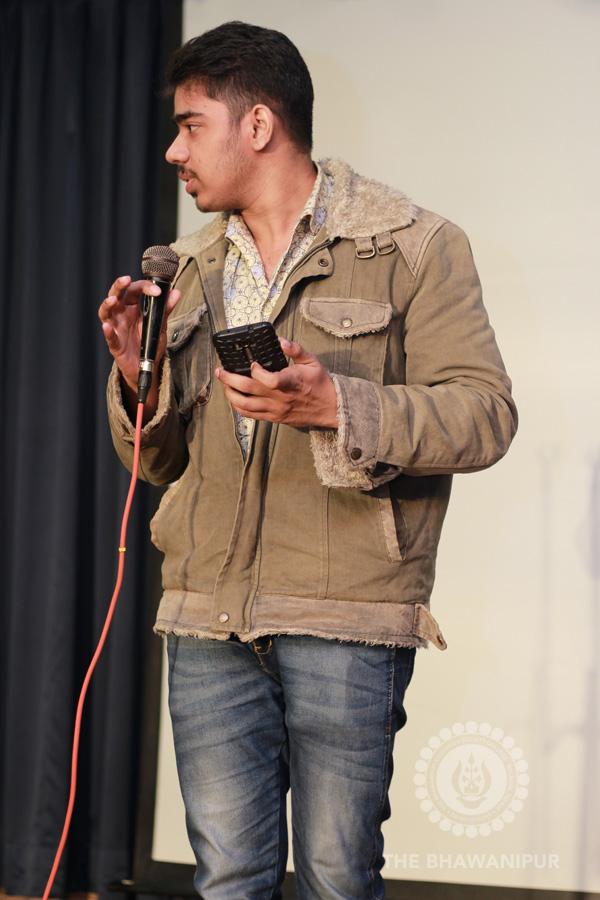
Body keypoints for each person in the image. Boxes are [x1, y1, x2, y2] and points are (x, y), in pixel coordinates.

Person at [99, 20, 518, 900]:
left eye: (190, 125)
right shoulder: (189, 272)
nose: (173, 151)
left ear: (258, 125)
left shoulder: (414, 245)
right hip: (207, 618)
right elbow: (156, 463)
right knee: (227, 879)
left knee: (336, 878)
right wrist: (138, 374)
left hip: (346, 617)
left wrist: (337, 406)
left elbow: (485, 416)